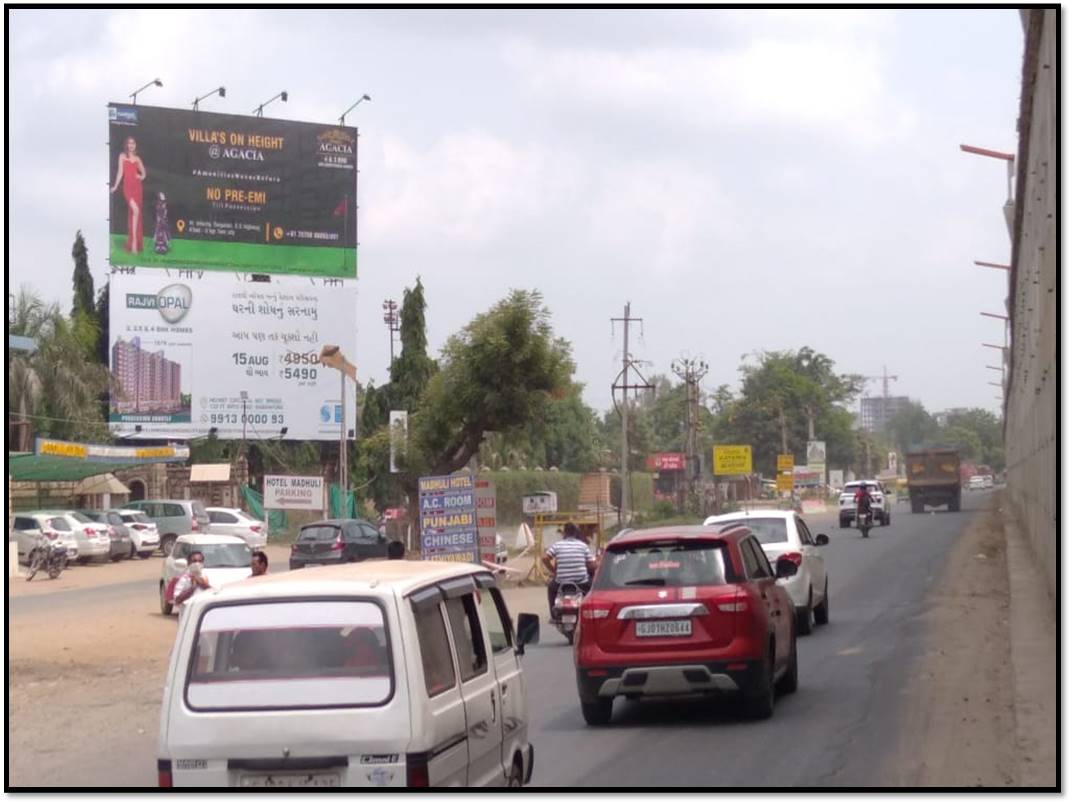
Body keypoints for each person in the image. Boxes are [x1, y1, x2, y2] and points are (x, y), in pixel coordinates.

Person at [542, 522, 597, 620]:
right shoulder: (583, 546)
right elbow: (592, 565)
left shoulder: (557, 545)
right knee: (593, 589)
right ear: (576, 533)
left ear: (564, 533)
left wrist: (554, 571)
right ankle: (590, 613)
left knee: (551, 588)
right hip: (581, 582)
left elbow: (545, 558)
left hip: (561, 582)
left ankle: (554, 615)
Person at [111, 136, 147, 254]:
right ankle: (133, 242)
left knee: (135, 213)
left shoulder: (137, 159)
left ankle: (134, 242)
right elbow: (120, 172)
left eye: (133, 143)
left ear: (135, 145)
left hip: (137, 188)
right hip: (127, 188)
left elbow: (144, 173)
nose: (131, 145)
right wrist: (115, 186)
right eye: (129, 143)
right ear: (126, 145)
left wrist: (140, 176)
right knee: (135, 211)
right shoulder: (122, 156)